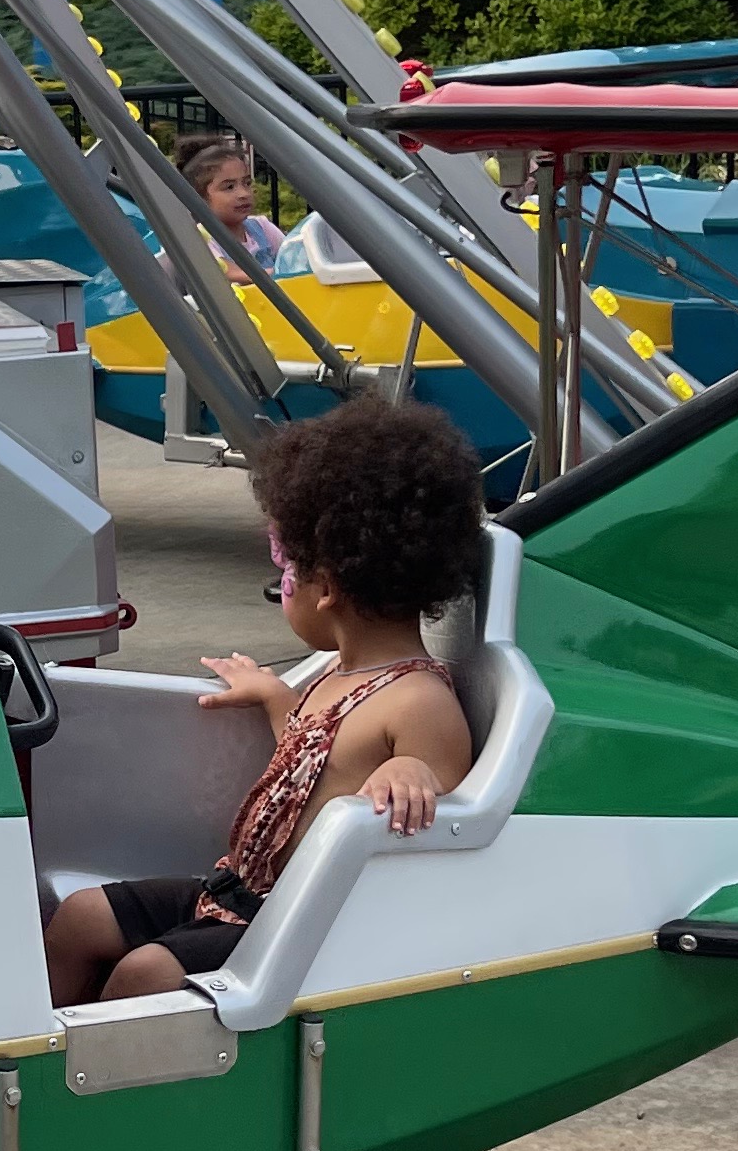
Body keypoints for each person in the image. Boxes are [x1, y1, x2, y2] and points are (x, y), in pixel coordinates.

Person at [44, 398, 485, 1007]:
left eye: (286, 565)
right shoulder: (339, 671)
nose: (281, 583)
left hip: (291, 926)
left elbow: (445, 805)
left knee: (146, 972)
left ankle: (95, 1065)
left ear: (325, 588)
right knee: (81, 916)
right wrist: (277, 697)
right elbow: (317, 764)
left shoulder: (419, 700)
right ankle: (35, 1047)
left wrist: (413, 771)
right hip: (236, 888)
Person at [179, 133, 285, 271]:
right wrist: (273, 274)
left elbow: (291, 255)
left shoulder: (262, 226)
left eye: (247, 183)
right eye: (229, 187)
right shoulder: (202, 237)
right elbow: (223, 270)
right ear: (198, 197)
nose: (244, 194)